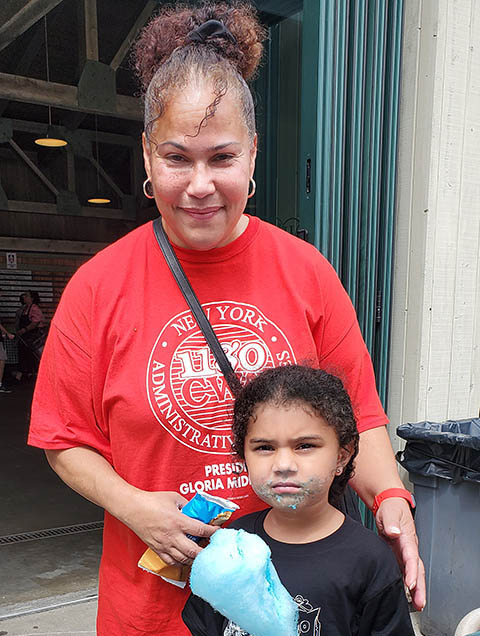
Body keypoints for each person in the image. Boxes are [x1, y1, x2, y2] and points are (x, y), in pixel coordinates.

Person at [27, 2, 424, 634]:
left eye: (222, 157)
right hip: (151, 606)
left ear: (253, 155)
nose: (200, 184)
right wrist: (135, 507)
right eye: (177, 158)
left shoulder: (306, 272)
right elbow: (63, 438)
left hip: (299, 602)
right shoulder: (98, 286)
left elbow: (362, 414)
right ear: (147, 158)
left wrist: (391, 501)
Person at [182, 365, 416, 635]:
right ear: (243, 455)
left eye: (305, 446)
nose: (283, 464)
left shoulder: (370, 560)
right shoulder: (234, 544)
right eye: (264, 447)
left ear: (342, 455)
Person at [15, 290, 45, 381]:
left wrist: (24, 329)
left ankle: (33, 374)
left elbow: (35, 322)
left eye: (27, 296)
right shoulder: (24, 309)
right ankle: (23, 374)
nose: (24, 297)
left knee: (31, 355)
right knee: (23, 354)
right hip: (24, 336)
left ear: (32, 298)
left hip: (33, 336)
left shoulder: (34, 308)